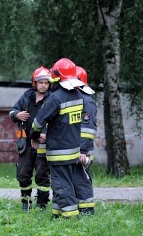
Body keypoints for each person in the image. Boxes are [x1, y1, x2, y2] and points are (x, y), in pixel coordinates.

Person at [31, 58, 94, 218]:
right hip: (72, 150)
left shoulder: (56, 97)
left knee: (61, 185)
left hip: (59, 151)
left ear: (57, 76)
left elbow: (39, 122)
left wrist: (34, 135)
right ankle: (57, 215)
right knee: (63, 184)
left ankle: (70, 218)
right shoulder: (78, 96)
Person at [9, 66, 52, 210]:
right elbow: (12, 112)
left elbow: (55, 119)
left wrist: (46, 133)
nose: (43, 85)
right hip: (26, 143)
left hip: (42, 144)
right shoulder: (26, 96)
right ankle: (25, 203)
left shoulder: (52, 98)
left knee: (42, 176)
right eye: (41, 82)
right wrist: (17, 115)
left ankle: (42, 205)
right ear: (35, 82)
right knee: (23, 174)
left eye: (46, 83)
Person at [76, 66, 97, 208]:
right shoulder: (78, 99)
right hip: (76, 149)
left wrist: (82, 151)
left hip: (82, 151)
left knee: (81, 180)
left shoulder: (86, 101)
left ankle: (86, 211)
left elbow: (87, 130)